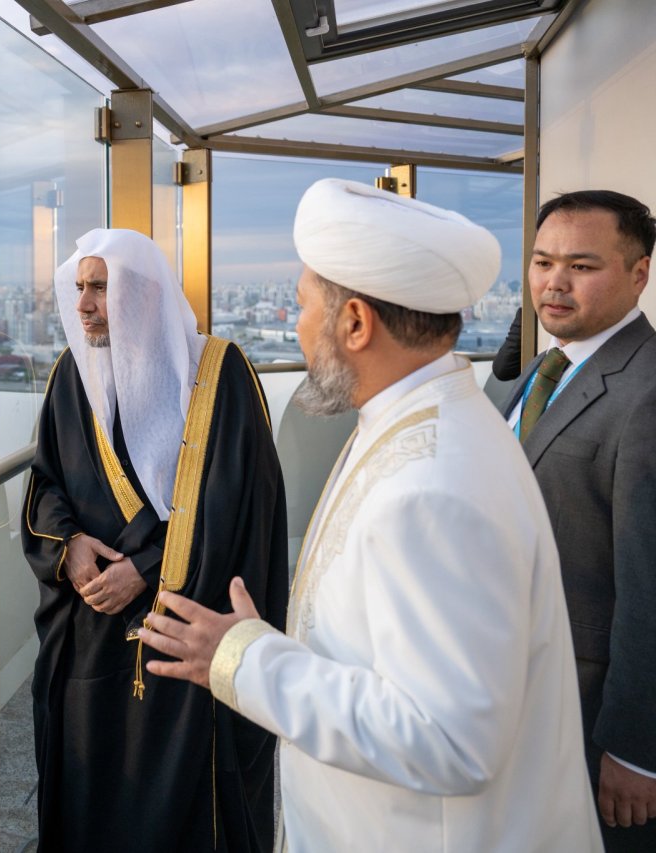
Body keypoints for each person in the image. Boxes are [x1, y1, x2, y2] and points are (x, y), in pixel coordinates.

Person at [138, 179, 602, 852]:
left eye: (300, 305)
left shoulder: (433, 484)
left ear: (354, 322)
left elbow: (449, 739)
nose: (295, 327)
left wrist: (243, 657)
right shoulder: (423, 421)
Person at [22, 228, 288, 853]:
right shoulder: (71, 372)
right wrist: (70, 545)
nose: (83, 304)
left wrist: (146, 567)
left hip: (187, 624)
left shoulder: (219, 374)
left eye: (99, 289)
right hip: (91, 626)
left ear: (141, 295)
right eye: (79, 288)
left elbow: (241, 505)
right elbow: (46, 479)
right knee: (92, 781)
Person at [500, 190, 656, 851]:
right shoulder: (541, 369)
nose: (554, 283)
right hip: (520, 695)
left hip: (594, 717)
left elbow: (649, 584)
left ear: (639, 272)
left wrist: (636, 747)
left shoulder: (646, 391)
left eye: (582, 266)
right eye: (541, 261)